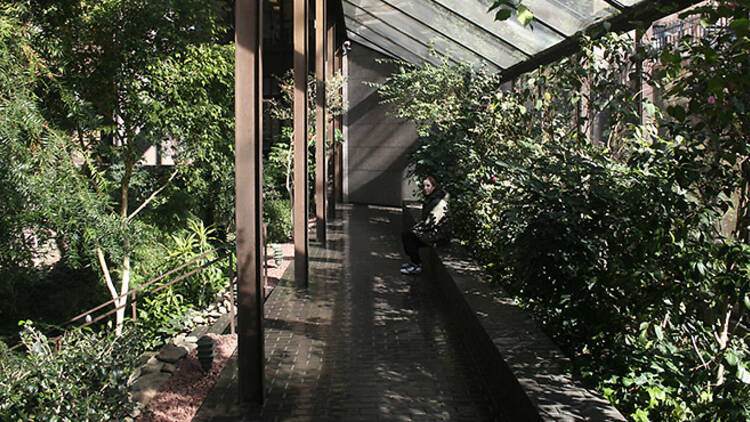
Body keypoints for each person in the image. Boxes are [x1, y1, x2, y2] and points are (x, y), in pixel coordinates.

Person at [400, 175, 449, 275]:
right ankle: (414, 263)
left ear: (434, 187)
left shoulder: (438, 202)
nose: (425, 188)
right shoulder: (431, 199)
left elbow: (433, 221)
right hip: (433, 231)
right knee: (408, 235)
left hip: (438, 235)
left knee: (409, 237)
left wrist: (420, 229)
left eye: (428, 186)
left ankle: (416, 265)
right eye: (424, 186)